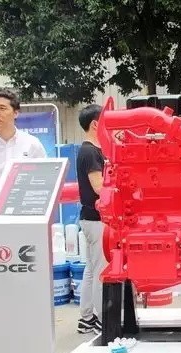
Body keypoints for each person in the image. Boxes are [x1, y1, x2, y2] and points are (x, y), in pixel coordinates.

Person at [0, 87, 47, 353]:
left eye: (2, 108)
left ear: (16, 113)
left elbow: (44, 178)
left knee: (21, 273)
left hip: (20, 213)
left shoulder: (31, 145)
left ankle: (22, 333)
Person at [76, 104, 105, 334]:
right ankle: (103, 319)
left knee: (91, 268)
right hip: (97, 219)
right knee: (101, 271)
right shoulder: (91, 152)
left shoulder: (88, 150)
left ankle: (86, 317)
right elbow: (99, 187)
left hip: (89, 218)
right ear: (96, 124)